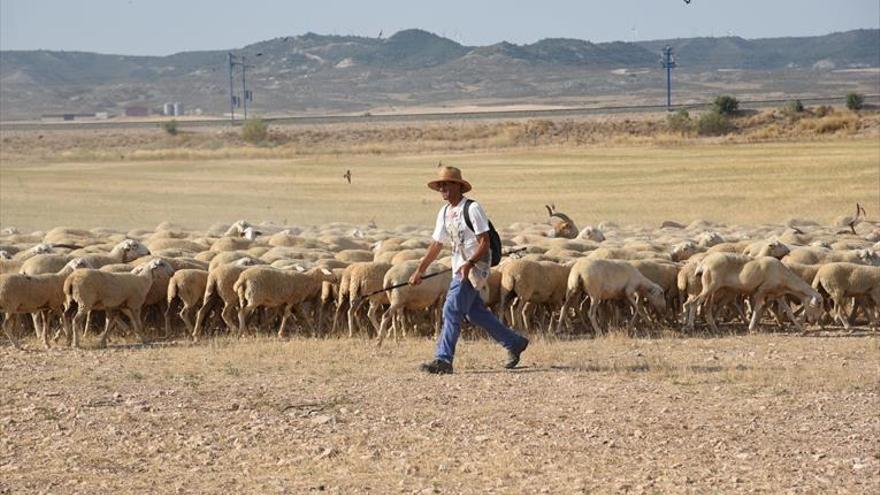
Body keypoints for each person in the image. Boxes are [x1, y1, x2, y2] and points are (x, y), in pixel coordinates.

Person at [410, 166, 529, 374]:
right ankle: (514, 342)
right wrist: (419, 270)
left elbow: (484, 242)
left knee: (451, 309)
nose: (442, 189)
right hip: (460, 268)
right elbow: (437, 244)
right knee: (475, 313)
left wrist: (470, 263)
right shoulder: (445, 212)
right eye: (440, 185)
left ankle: (443, 359)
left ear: (458, 186)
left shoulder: (472, 208)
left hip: (475, 268)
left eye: (446, 184)